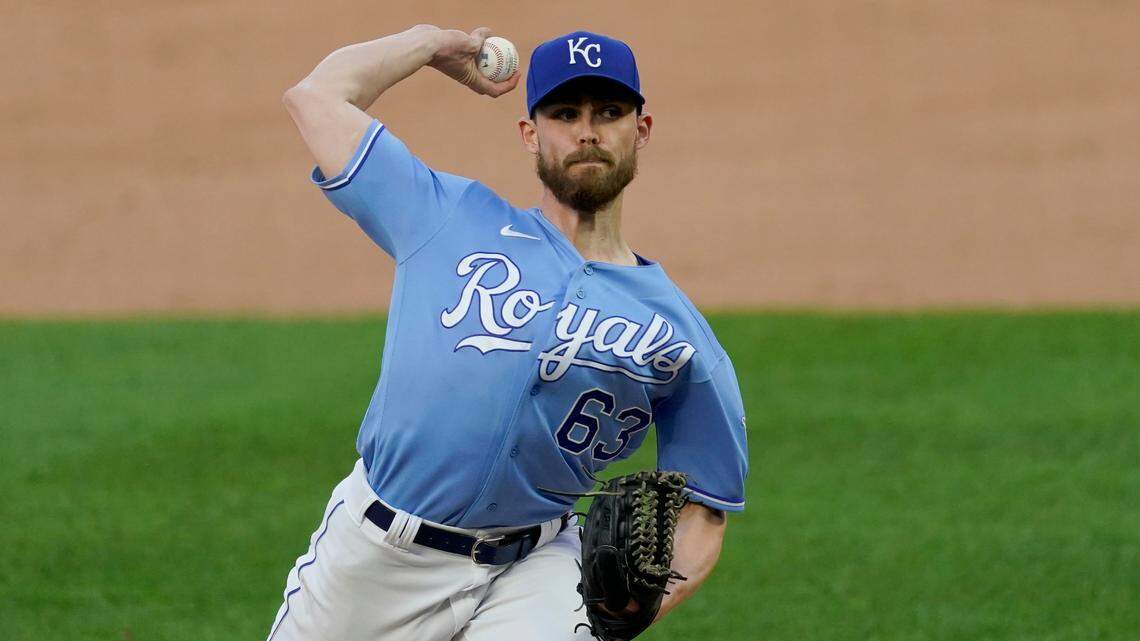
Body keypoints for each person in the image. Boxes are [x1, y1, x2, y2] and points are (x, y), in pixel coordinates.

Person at [270, 25, 748, 641]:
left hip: (540, 569)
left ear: (642, 130)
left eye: (608, 112)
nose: (587, 131)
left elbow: (706, 506)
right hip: (377, 558)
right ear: (531, 133)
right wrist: (433, 43)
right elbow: (315, 98)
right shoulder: (446, 215)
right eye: (564, 112)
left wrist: (633, 613)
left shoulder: (680, 335)